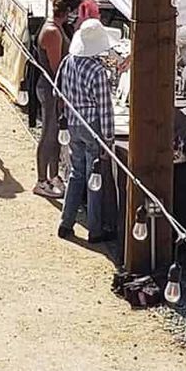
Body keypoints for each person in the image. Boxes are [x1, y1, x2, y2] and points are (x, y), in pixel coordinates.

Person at [57, 18, 116, 243]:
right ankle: (95, 228)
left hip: (73, 122)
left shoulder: (68, 61)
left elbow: (58, 92)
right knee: (95, 177)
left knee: (76, 173)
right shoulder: (97, 71)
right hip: (92, 126)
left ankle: (66, 221)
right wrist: (108, 139)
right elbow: (105, 109)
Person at [33, 0, 82, 199]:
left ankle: (53, 176)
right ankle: (41, 180)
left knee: (56, 135)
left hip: (57, 90)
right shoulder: (52, 32)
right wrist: (62, 94)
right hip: (51, 90)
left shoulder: (59, 27)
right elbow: (56, 69)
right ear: (68, 11)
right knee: (49, 134)